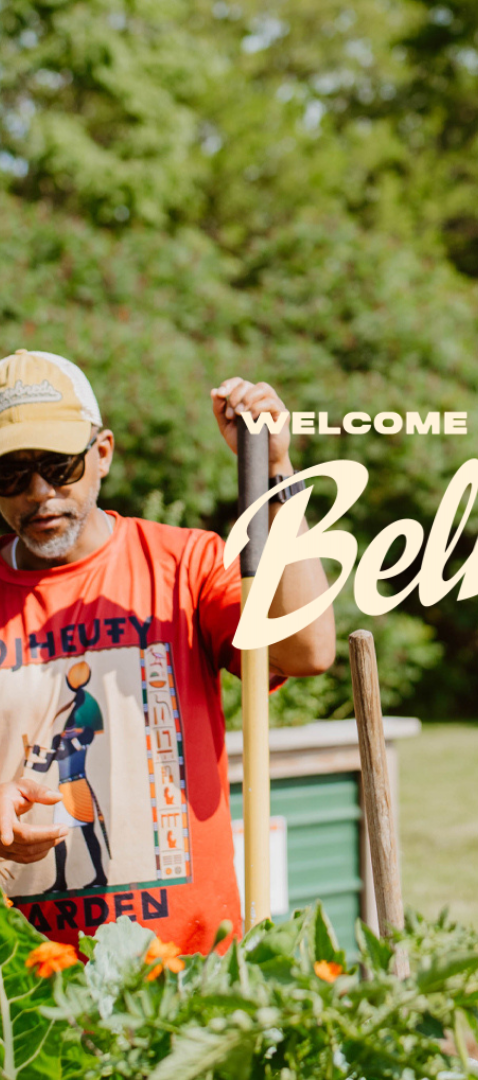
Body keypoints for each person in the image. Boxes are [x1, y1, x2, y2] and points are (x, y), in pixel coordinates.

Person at [0, 349, 335, 953]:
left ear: (102, 453)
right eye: (10, 476)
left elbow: (307, 648)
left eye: (58, 465)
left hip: (187, 971)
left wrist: (278, 473)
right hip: (26, 985)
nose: (39, 493)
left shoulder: (185, 566)